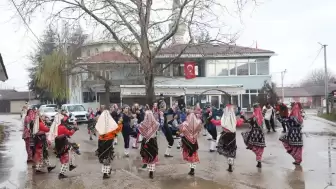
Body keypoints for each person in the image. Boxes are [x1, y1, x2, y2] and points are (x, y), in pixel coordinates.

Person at [95, 109, 122, 179]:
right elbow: (117, 130)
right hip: (109, 142)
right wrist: (120, 123)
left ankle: (107, 170)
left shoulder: (100, 123)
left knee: (104, 156)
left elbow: (97, 128)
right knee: (107, 157)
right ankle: (105, 173)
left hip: (101, 142)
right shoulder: (111, 124)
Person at [137, 110, 164, 179]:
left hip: (145, 141)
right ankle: (151, 171)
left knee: (147, 155)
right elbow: (161, 125)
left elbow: (137, 127)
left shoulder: (143, 124)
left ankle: (149, 168)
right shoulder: (155, 123)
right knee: (153, 155)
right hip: (153, 141)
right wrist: (161, 117)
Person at [213, 104, 237, 172]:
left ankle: (229, 164)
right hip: (233, 136)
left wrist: (211, 120)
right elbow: (238, 123)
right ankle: (230, 166)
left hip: (225, 135)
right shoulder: (233, 117)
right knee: (231, 150)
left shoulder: (225, 118)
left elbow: (219, 123)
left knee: (223, 147)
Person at [241, 104, 266, 168]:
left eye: (253, 108)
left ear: (254, 108)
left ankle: (251, 148)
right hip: (261, 134)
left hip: (254, 133)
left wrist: (243, 116)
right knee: (260, 148)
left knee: (246, 137)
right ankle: (259, 161)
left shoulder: (254, 116)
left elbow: (247, 121)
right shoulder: (261, 116)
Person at [179, 110, 202, 176]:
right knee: (194, 154)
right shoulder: (198, 123)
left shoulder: (185, 124)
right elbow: (199, 129)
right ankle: (192, 169)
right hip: (194, 141)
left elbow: (181, 131)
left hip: (187, 142)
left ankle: (191, 169)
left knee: (190, 154)